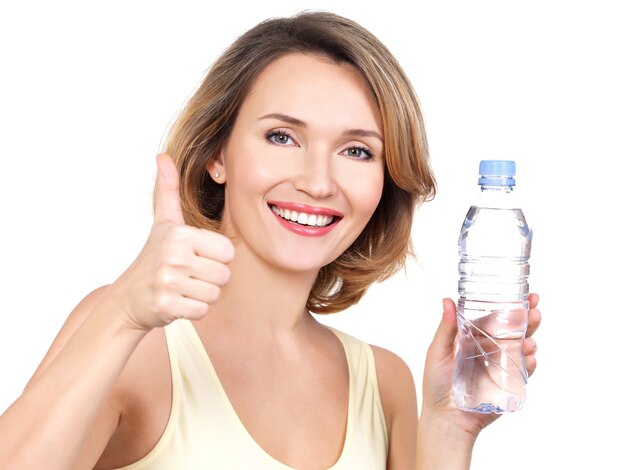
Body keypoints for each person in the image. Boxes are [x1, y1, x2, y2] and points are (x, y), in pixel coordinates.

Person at [0, 11, 541, 470]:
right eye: (282, 137)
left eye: (357, 151)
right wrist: (121, 313)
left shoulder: (384, 383)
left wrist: (450, 427)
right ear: (217, 155)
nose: (318, 181)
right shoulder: (135, 339)